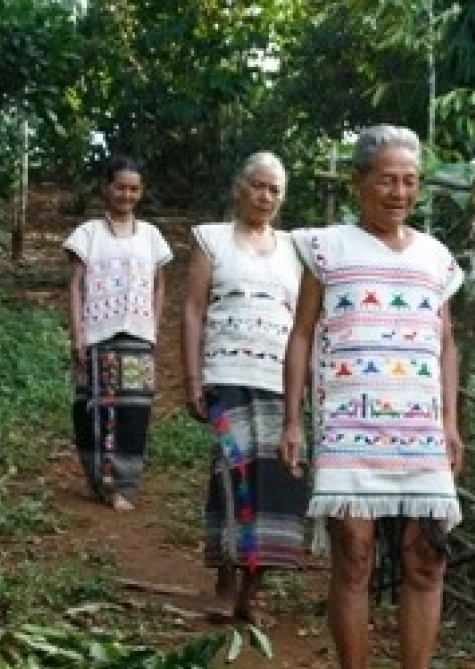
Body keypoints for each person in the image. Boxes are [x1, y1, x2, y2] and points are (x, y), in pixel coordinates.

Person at [279, 124, 464, 669]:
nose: (399, 191)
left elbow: (444, 343)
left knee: (425, 557)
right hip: (348, 422)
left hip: (417, 430)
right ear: (361, 182)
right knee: (353, 553)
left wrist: (450, 422)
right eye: (387, 178)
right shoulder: (326, 248)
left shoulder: (436, 257)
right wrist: (293, 420)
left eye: (410, 180)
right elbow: (303, 334)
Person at [181, 152, 308, 626]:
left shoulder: (297, 249)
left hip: (279, 381)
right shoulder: (211, 239)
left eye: (275, 189)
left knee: (276, 481)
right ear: (239, 188)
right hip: (225, 374)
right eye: (258, 186)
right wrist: (193, 377)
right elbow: (193, 309)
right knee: (231, 474)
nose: (266, 197)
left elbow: (305, 322)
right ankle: (225, 583)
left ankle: (253, 594)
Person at [66, 155, 173, 512]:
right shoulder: (88, 234)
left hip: (138, 337)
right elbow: (76, 286)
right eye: (120, 187)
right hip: (98, 335)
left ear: (140, 192)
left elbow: (160, 285)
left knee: (134, 412)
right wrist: (77, 334)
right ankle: (99, 480)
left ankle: (124, 485)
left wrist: (154, 326)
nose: (126, 195)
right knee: (93, 408)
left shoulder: (152, 236)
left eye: (134, 189)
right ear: (106, 188)